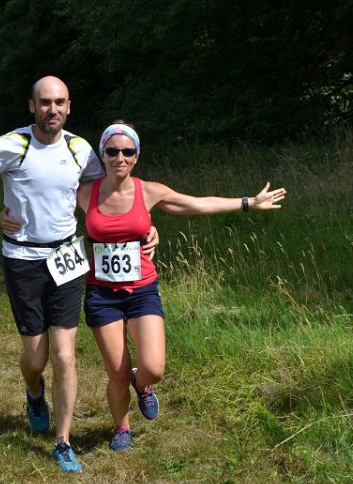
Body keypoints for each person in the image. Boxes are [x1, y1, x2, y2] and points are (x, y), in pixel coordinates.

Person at [0, 76, 158, 473]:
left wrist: (144, 227)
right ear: (32, 106)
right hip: (22, 258)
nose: (52, 109)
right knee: (37, 357)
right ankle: (33, 388)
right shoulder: (13, 144)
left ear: (69, 106)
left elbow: (109, 194)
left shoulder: (81, 150)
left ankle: (63, 441)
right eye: (45, 102)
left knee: (64, 354)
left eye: (59, 102)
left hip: (66, 258)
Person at [78, 122, 284, 451]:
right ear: (102, 154)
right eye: (112, 151)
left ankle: (142, 384)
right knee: (116, 372)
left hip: (142, 289)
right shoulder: (85, 193)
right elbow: (46, 207)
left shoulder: (149, 191)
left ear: (136, 156)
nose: (120, 157)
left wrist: (248, 202)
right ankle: (121, 427)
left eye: (127, 151)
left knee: (154, 368)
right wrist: (10, 216)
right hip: (102, 294)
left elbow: (198, 204)